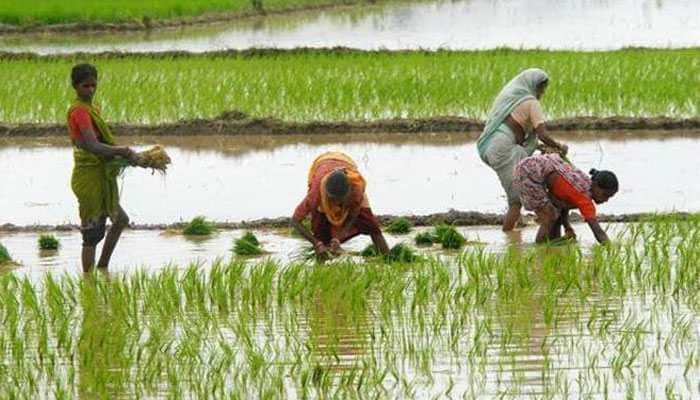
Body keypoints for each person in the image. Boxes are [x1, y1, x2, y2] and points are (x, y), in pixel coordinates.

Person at [67, 63, 140, 272]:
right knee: (91, 233)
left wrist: (121, 153)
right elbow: (92, 145)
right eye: (85, 86)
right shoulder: (79, 111)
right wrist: (123, 151)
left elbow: (99, 143)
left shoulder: (92, 108)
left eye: (93, 85)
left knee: (120, 220)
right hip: (88, 176)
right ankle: (89, 282)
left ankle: (102, 268)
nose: (90, 90)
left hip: (100, 173)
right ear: (75, 86)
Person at [477, 68, 568, 231]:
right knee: (516, 200)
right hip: (503, 148)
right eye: (542, 88)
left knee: (517, 183)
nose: (543, 92)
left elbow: (525, 134)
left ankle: (516, 228)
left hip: (497, 145)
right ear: (534, 86)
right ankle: (507, 236)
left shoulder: (516, 102)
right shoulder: (532, 103)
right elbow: (542, 134)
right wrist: (559, 147)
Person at [292, 151, 389, 259]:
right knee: (321, 233)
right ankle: (322, 268)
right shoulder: (315, 195)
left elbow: (353, 215)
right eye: (333, 200)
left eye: (341, 200)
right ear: (327, 195)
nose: (337, 205)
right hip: (322, 165)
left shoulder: (356, 189)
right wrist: (316, 243)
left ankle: (388, 259)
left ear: (349, 192)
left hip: (345, 162)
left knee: (371, 225)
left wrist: (338, 237)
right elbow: (295, 221)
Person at [513, 153, 619, 244]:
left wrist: (567, 227)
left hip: (532, 166)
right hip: (529, 172)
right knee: (549, 216)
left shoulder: (584, 183)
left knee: (555, 212)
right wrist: (610, 249)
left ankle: (553, 245)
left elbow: (562, 206)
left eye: (609, 197)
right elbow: (598, 232)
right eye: (605, 195)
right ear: (595, 185)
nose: (606, 200)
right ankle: (540, 248)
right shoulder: (584, 198)